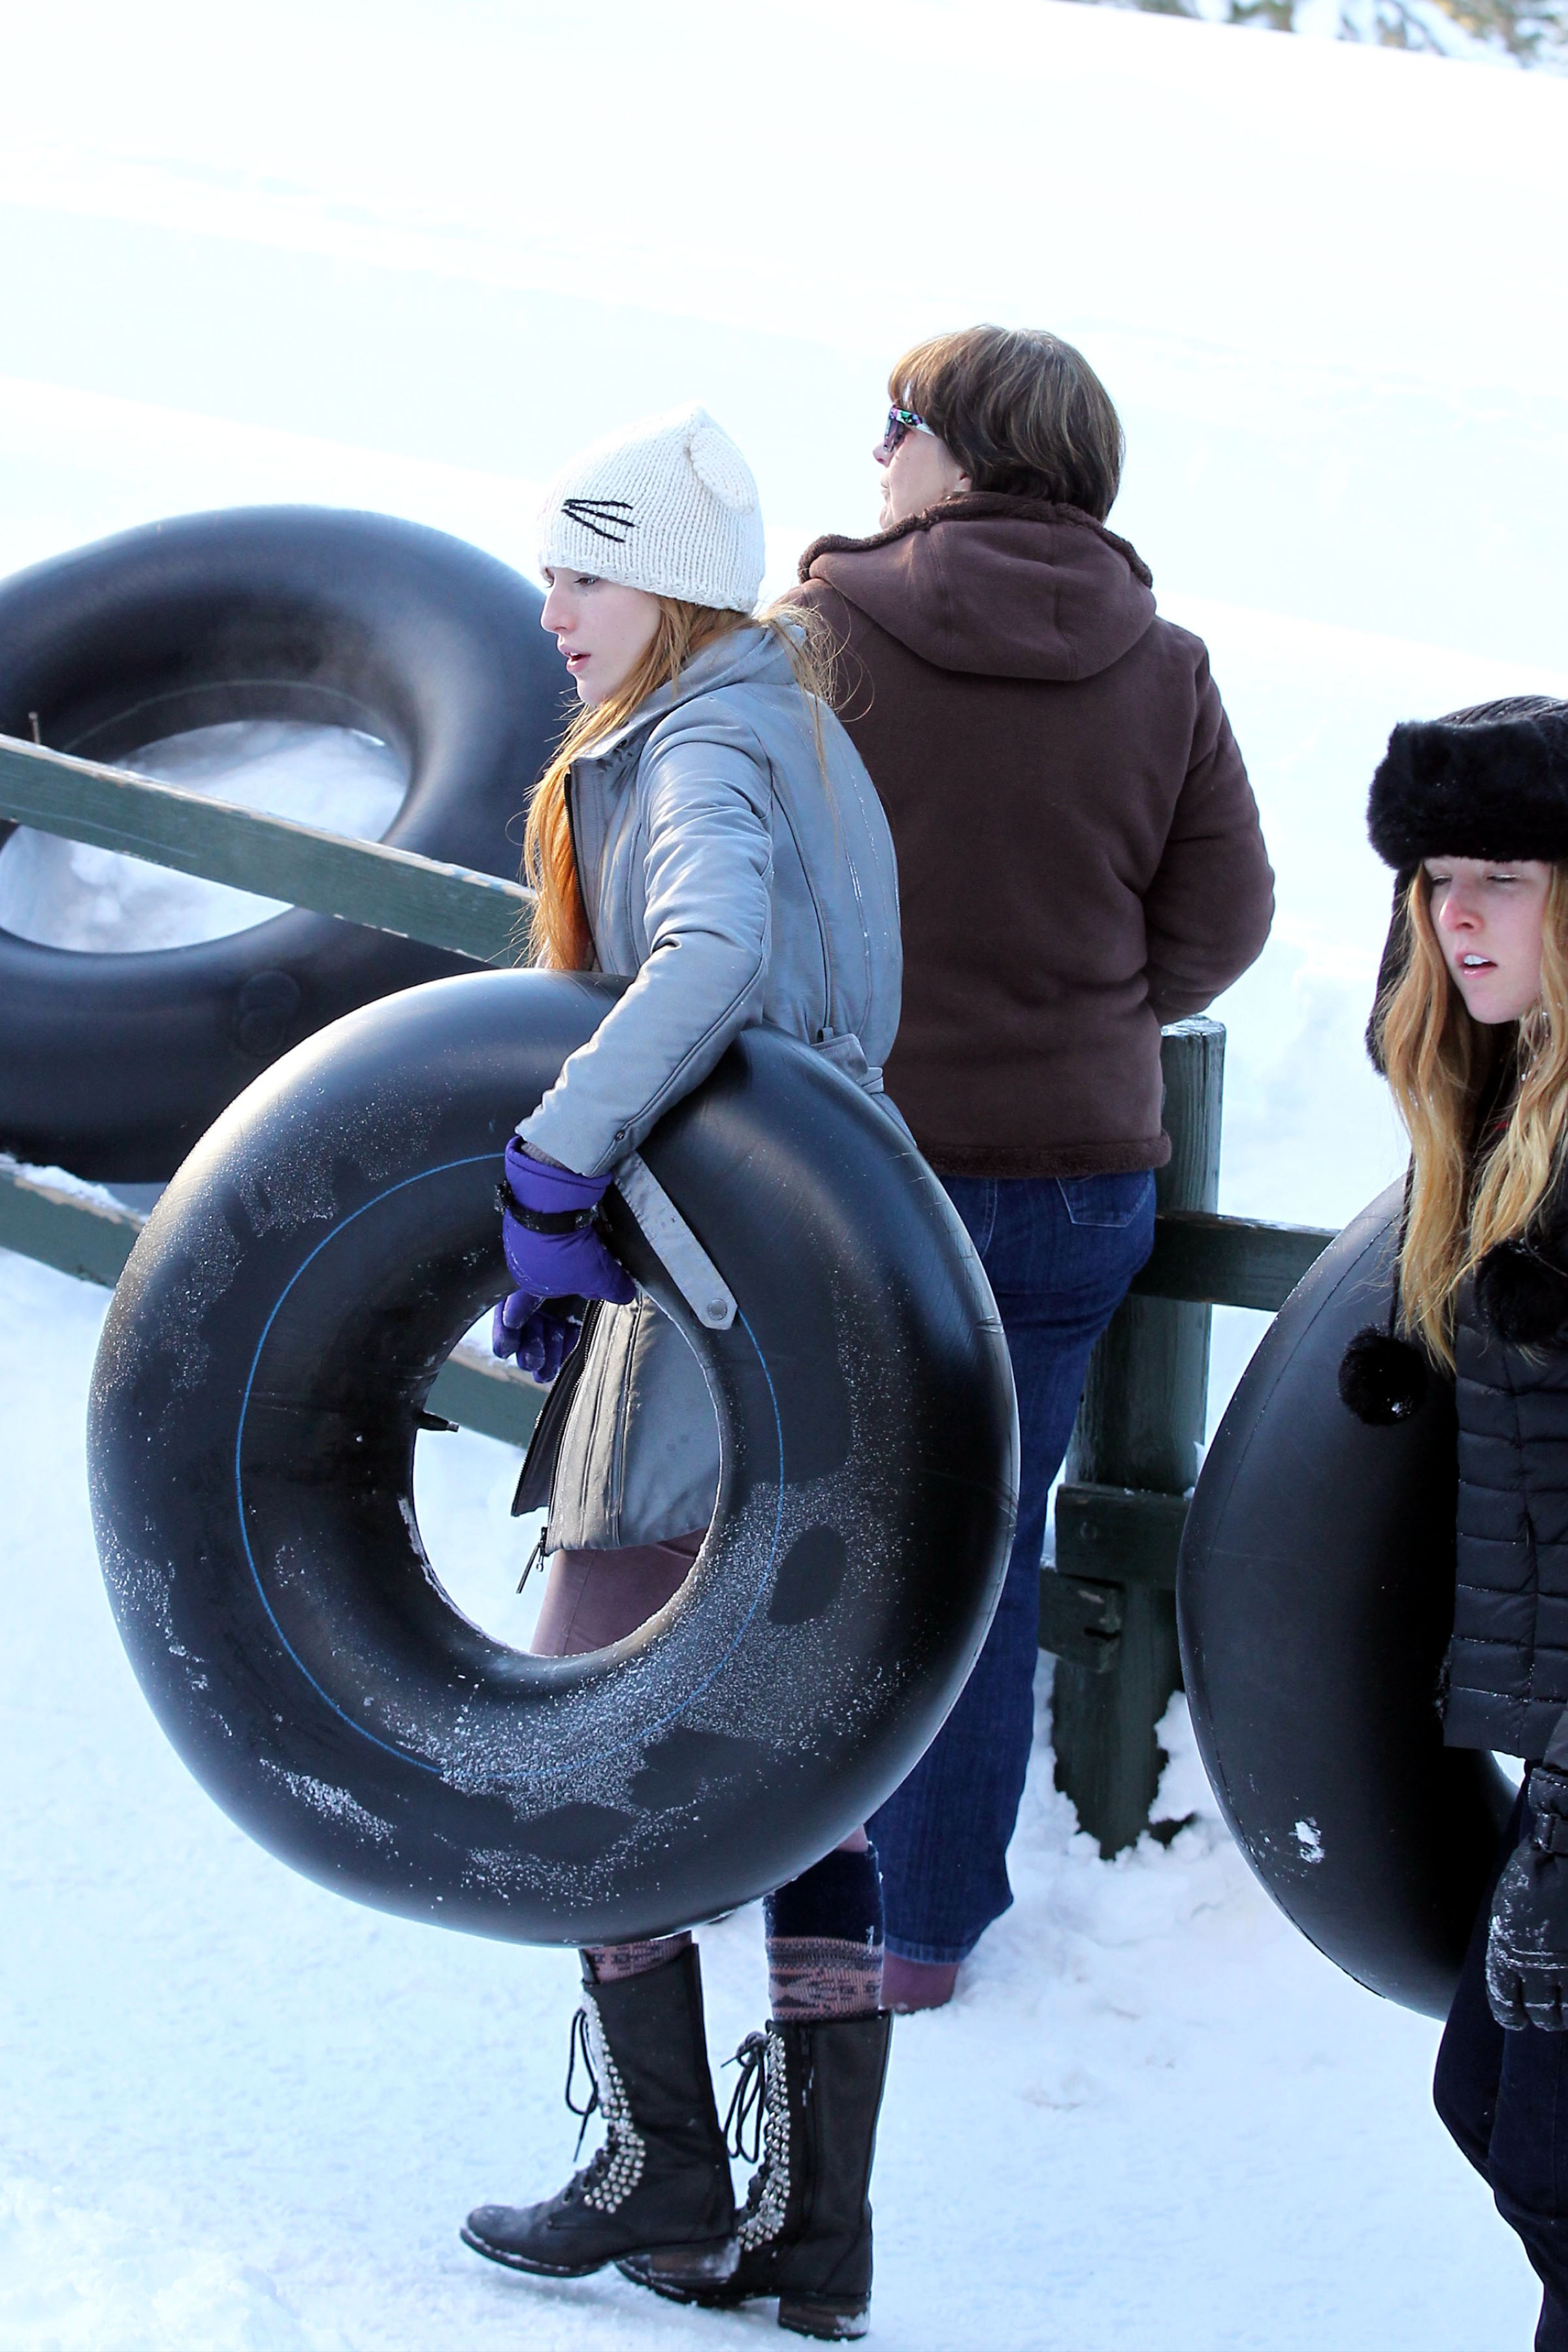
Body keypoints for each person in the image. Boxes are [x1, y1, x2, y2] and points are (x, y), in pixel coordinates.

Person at [459, 402, 906, 2345]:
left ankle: (664, 2168)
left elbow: (710, 955)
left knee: (577, 1718)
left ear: (666, 585)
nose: (551, 606)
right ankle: (811, 2231)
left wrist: (564, 1151)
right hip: (817, 1298)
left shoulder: (707, 744)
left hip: (720, 1301)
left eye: (582, 570)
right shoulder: (788, 726)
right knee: (813, 1755)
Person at [785, 324, 1274, 2008]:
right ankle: (922, 1936)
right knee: (985, 1550)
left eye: (896, 422)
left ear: (966, 448)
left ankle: (764, 1876)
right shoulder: (1170, 664)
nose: (876, 456)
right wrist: (1091, 1008)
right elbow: (1225, 922)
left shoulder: (824, 636)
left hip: (856, 1167)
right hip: (1075, 1181)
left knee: (810, 1524)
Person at [1342, 696, 1568, 2351]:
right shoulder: (1502, 1116)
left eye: (1503, 871)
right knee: (1497, 2109)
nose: (1457, 914)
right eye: (1433, 879)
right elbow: (1401, 1022)